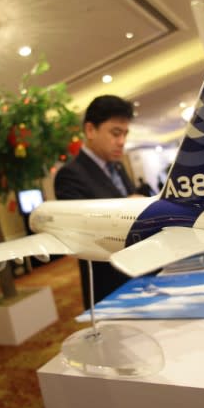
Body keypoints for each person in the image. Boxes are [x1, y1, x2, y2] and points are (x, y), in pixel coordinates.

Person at [54, 94, 136, 309]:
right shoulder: (69, 175)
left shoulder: (117, 166)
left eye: (125, 134)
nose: (122, 141)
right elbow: (80, 234)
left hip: (139, 271)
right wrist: (130, 206)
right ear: (90, 130)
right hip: (109, 283)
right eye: (115, 133)